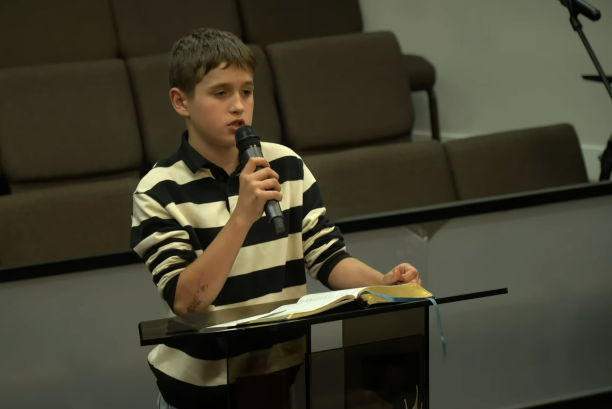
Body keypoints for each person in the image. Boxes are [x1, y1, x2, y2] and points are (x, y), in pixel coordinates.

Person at [130, 28, 421, 409]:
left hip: (280, 382)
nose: (238, 106)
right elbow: (188, 302)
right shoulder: (157, 191)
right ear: (180, 101)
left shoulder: (286, 165)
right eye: (221, 93)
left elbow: (327, 256)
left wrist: (381, 285)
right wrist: (242, 217)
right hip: (199, 395)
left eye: (246, 92)